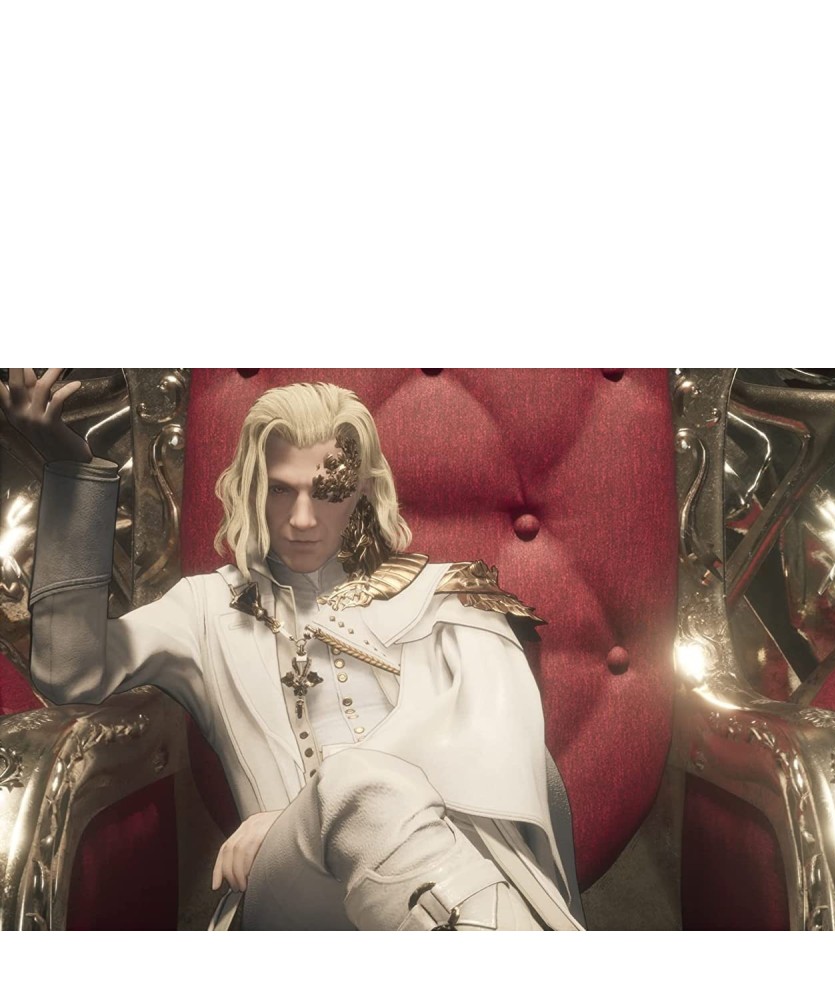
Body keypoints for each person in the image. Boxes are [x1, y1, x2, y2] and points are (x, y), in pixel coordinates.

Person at [0, 368, 583, 931]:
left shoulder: (446, 597)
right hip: (289, 896)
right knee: (355, 788)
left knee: (362, 790)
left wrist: (293, 811)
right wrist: (71, 473)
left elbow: (502, 749)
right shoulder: (207, 607)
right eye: (280, 490)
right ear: (252, 486)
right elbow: (68, 670)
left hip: (457, 865)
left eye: (326, 492)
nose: (302, 520)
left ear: (361, 491)